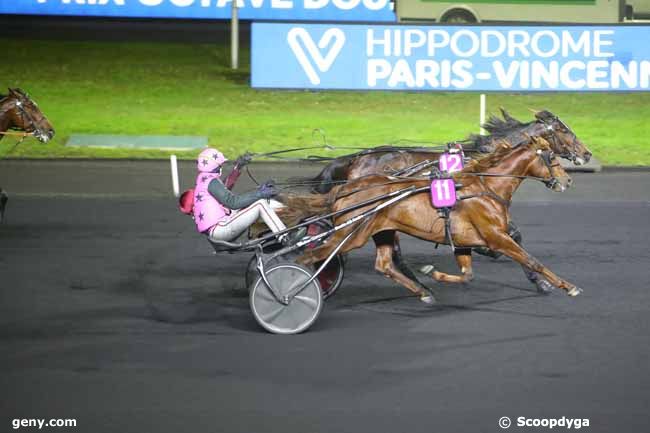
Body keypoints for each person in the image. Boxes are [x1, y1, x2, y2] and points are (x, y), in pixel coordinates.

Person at [190, 147, 287, 243]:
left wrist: (238, 167)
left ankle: (288, 213)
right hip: (221, 229)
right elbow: (233, 203)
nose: (221, 167)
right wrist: (260, 194)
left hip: (218, 229)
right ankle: (284, 237)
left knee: (254, 201)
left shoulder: (205, 179)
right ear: (215, 166)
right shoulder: (210, 182)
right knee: (260, 204)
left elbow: (224, 188)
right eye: (220, 165)